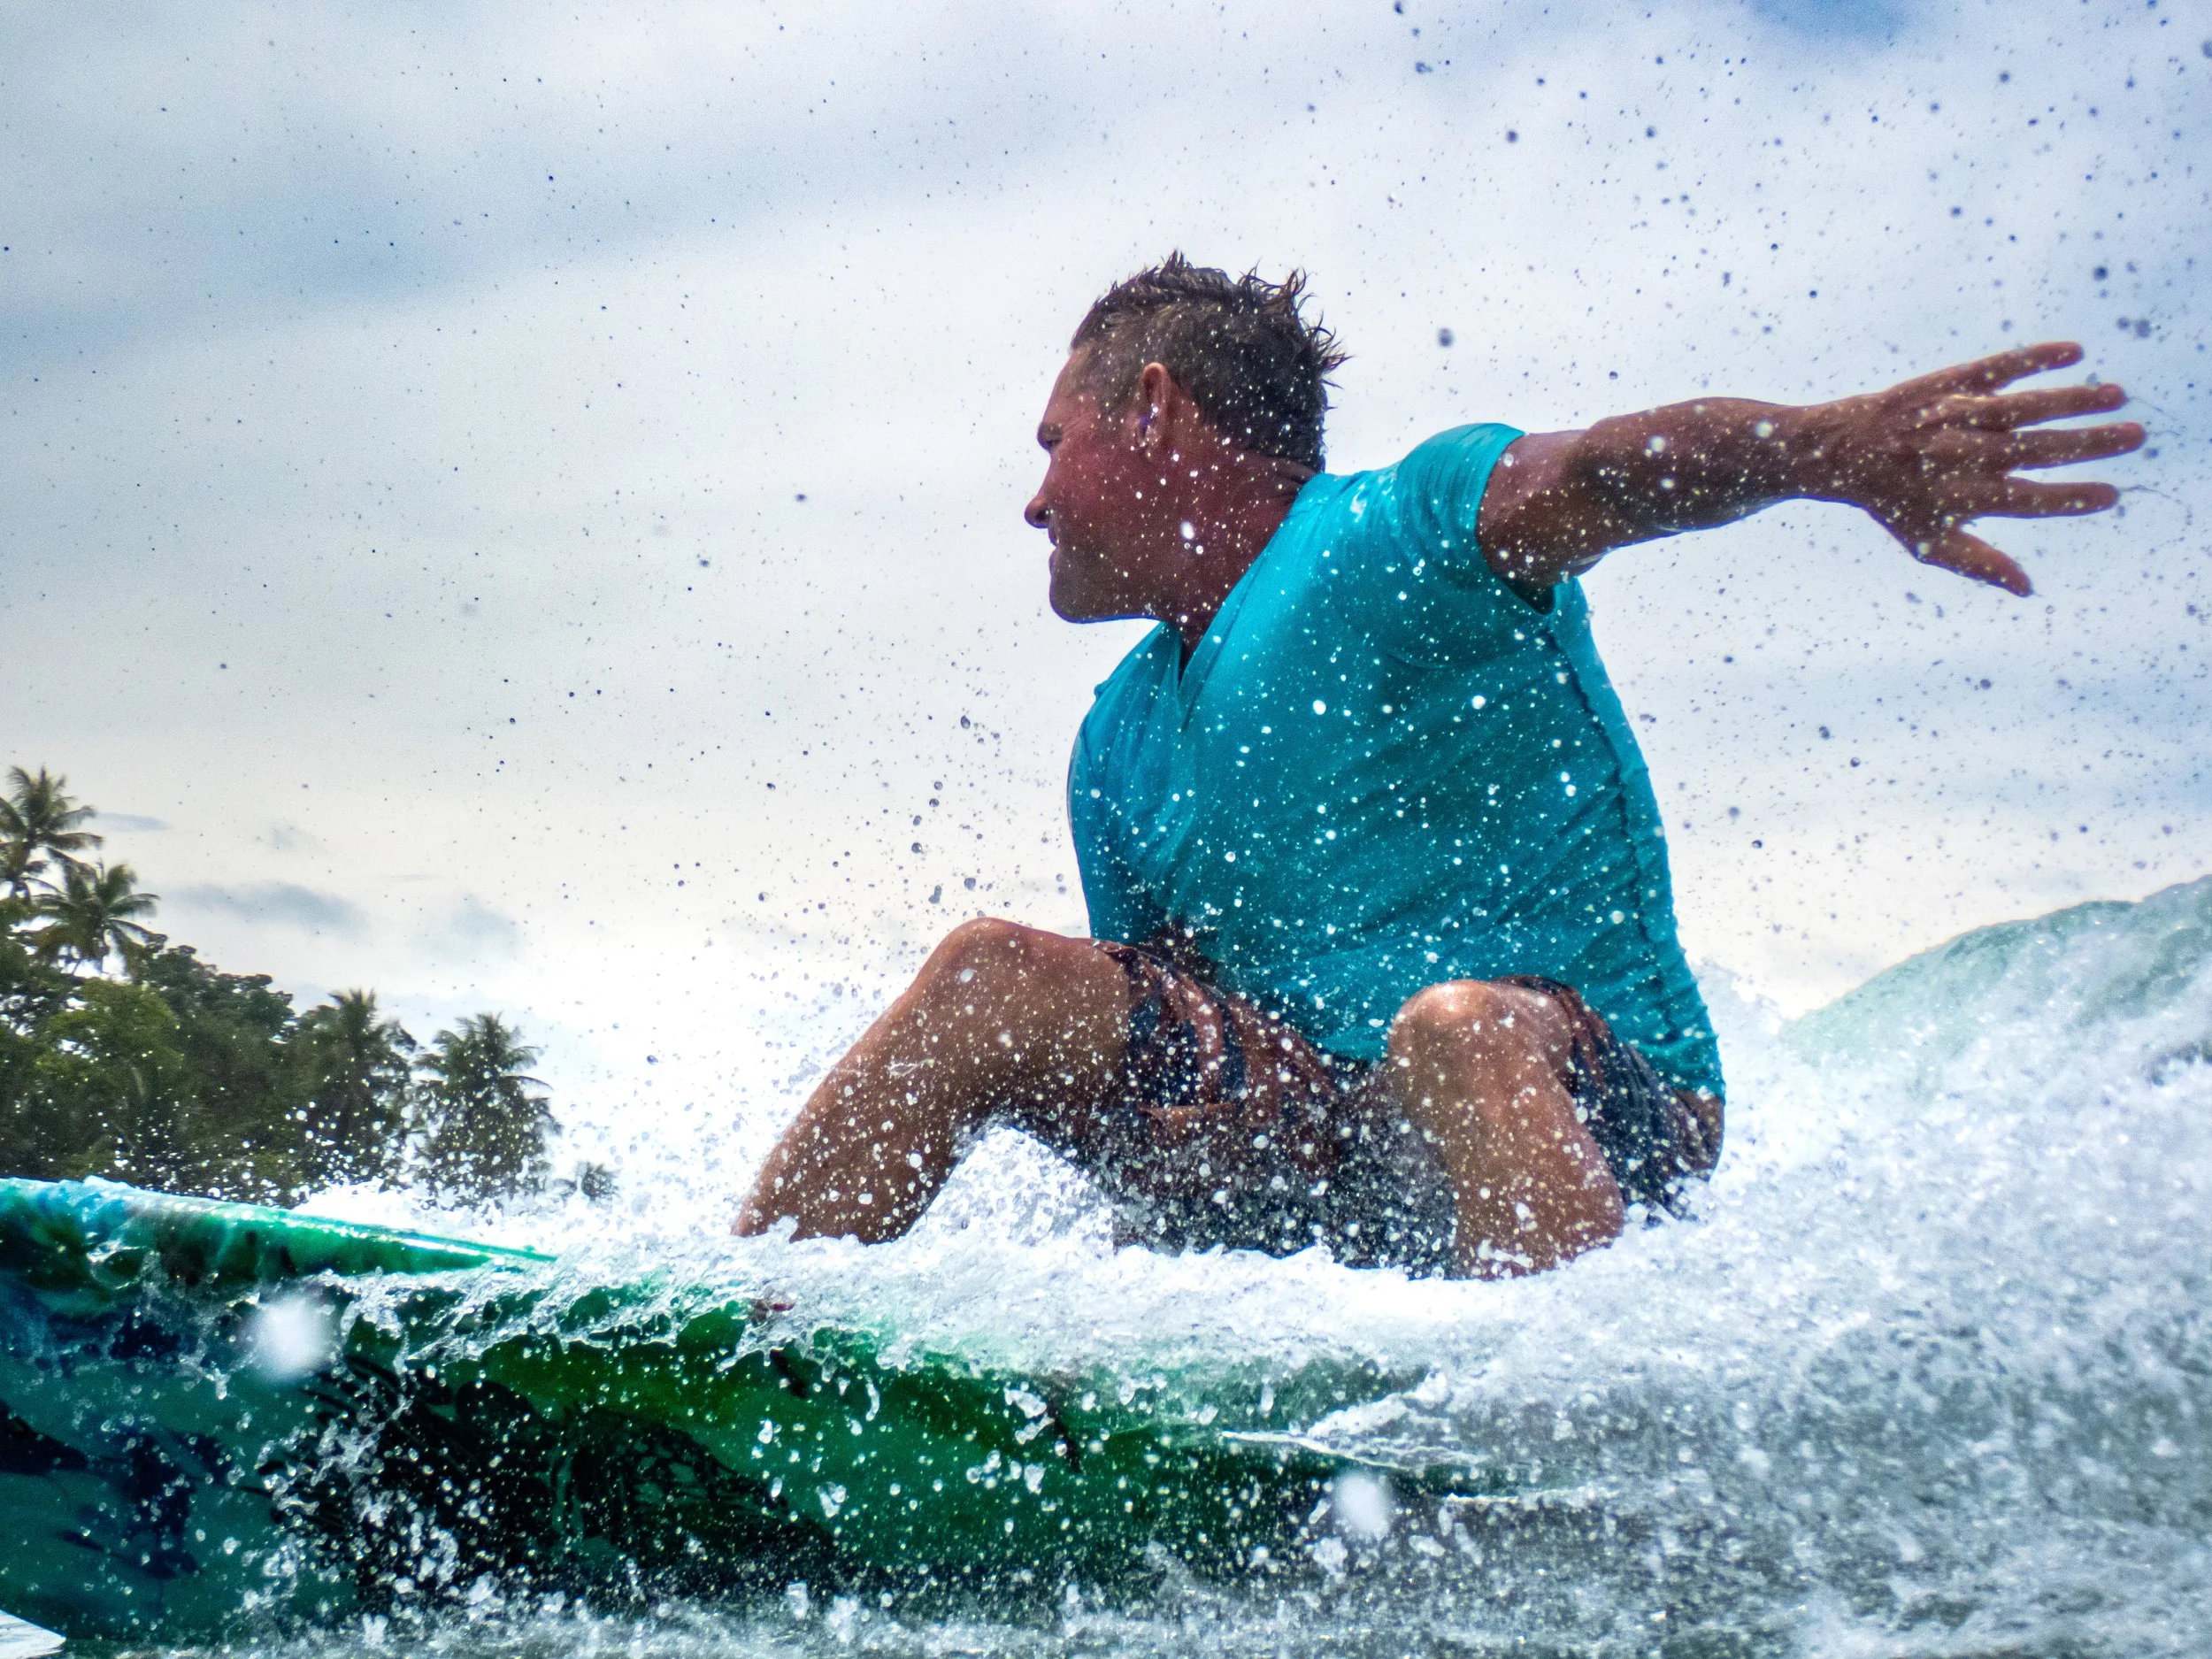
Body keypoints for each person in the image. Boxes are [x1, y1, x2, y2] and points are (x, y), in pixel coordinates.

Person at [735, 255, 2142, 1278]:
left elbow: (1606, 471)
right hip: (1330, 1136)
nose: (1035, 497)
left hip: (1582, 1108)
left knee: (1451, 1032)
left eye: (1058, 444)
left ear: (1153, 408)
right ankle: (730, 1343)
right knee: (992, 977)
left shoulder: (1390, 535)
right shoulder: (1118, 737)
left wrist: (1838, 451)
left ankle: (1573, 1437)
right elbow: (1164, 1060)